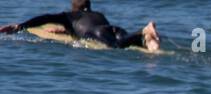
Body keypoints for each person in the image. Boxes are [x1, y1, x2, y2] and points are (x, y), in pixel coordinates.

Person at [0, 0, 160, 51]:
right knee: (125, 40)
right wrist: (64, 31)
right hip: (112, 28)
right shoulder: (98, 14)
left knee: (115, 47)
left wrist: (20, 26)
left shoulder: (68, 16)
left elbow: (45, 18)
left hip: (96, 33)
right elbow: (83, 26)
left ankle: (143, 31)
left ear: (73, 8)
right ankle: (148, 41)